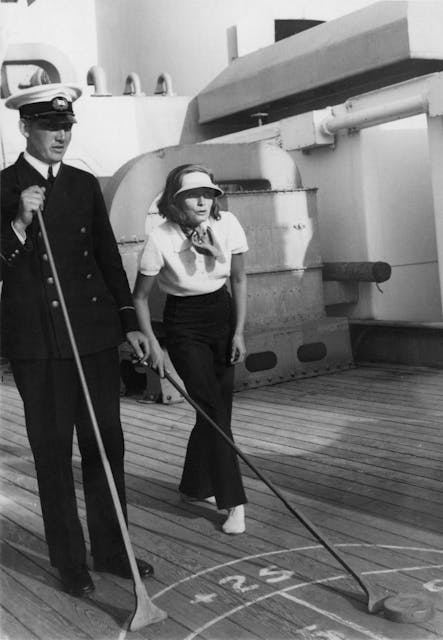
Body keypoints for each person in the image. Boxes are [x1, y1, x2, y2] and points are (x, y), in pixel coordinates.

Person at [0, 83, 153, 597]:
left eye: (67, 127)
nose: (61, 135)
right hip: (38, 344)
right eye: (50, 126)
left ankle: (112, 551)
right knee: (51, 450)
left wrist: (129, 321)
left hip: (90, 337)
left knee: (106, 444)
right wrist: (18, 223)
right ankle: (70, 561)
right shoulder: (3, 187)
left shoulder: (85, 185)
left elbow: (108, 257)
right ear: (26, 127)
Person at [133, 164, 248, 534]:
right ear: (174, 200)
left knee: (218, 408)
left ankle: (195, 486)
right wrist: (152, 341)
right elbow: (139, 297)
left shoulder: (228, 224)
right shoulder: (160, 238)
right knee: (212, 408)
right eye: (191, 194)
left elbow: (240, 278)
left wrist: (240, 331)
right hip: (185, 323)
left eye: (208, 193)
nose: (202, 200)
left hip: (223, 314)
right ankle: (233, 501)